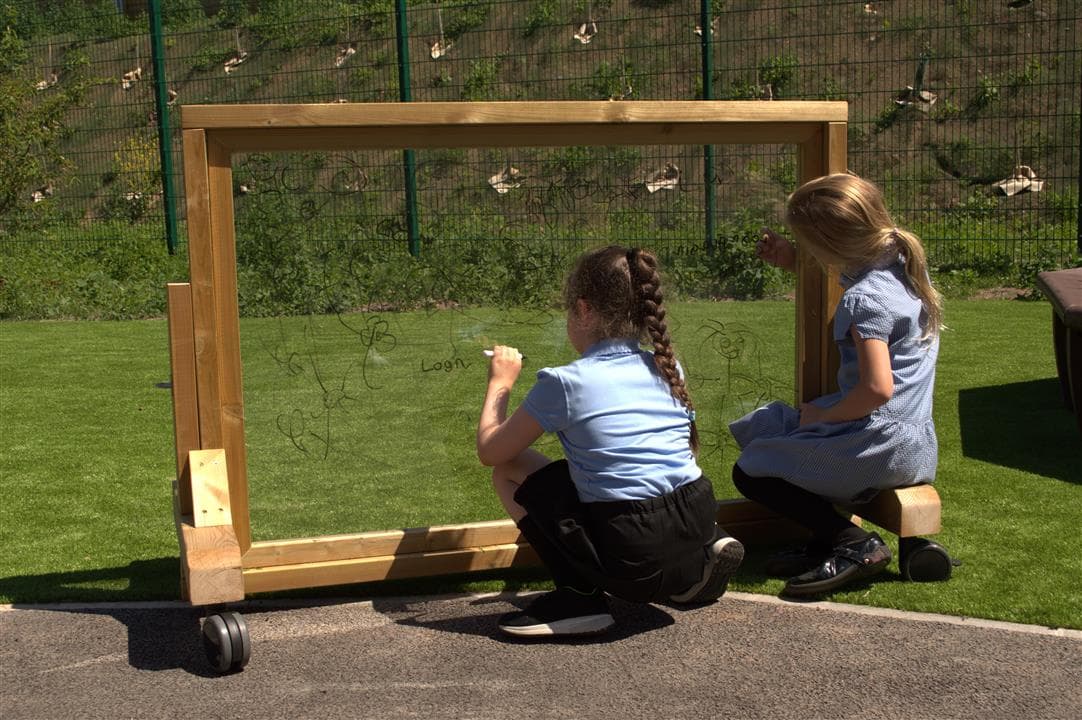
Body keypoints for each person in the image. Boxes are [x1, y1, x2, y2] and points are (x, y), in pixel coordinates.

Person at [476, 245, 744, 638]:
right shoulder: (666, 365)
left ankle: (579, 596)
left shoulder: (566, 382)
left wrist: (500, 383)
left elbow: (491, 451)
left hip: (631, 554)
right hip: (695, 515)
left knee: (509, 469)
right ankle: (694, 564)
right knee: (602, 473)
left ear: (583, 310)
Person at [730, 173, 942, 597]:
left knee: (751, 468)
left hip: (877, 443)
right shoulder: (899, 269)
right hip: (912, 441)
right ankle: (827, 536)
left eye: (808, 244)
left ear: (829, 245)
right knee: (773, 424)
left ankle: (854, 542)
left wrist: (825, 414)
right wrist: (793, 259)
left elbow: (877, 389)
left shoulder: (865, 300)